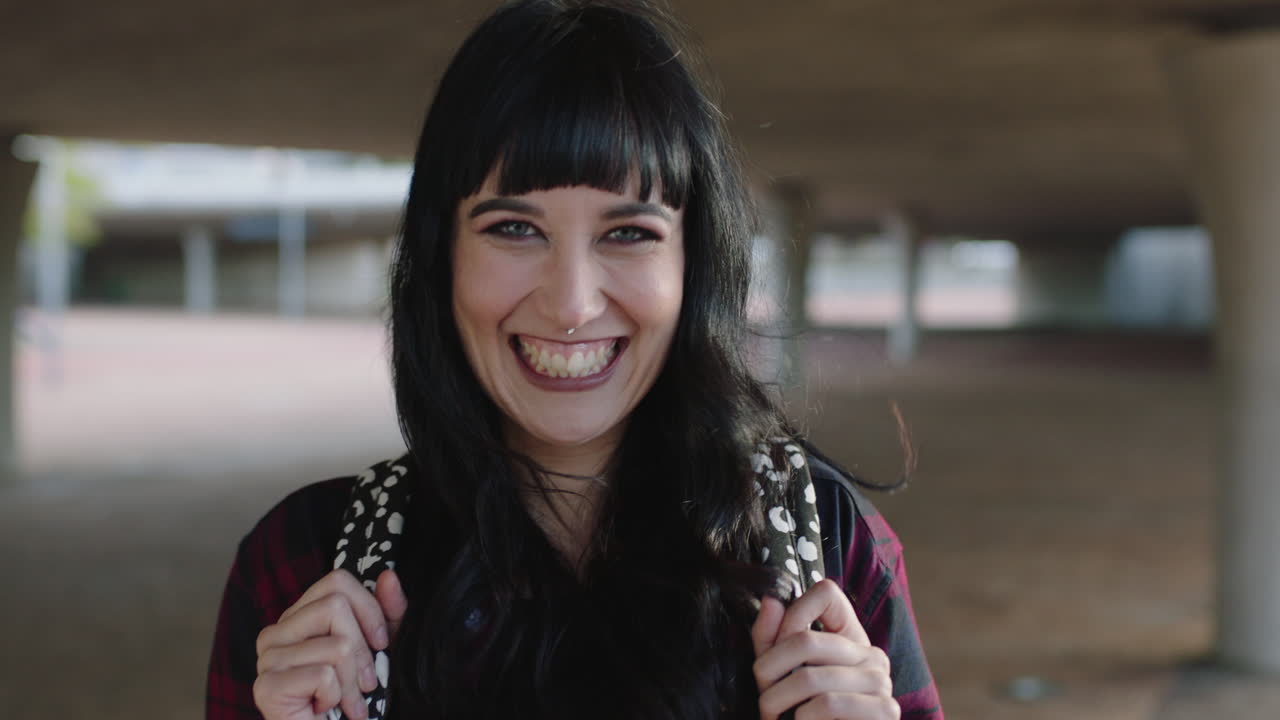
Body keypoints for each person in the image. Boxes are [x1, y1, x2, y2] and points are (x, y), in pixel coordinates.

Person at [206, 1, 944, 718]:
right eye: (514, 228)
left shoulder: (827, 545)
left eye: (628, 234)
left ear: (694, 266)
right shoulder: (307, 565)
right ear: (441, 258)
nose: (571, 304)